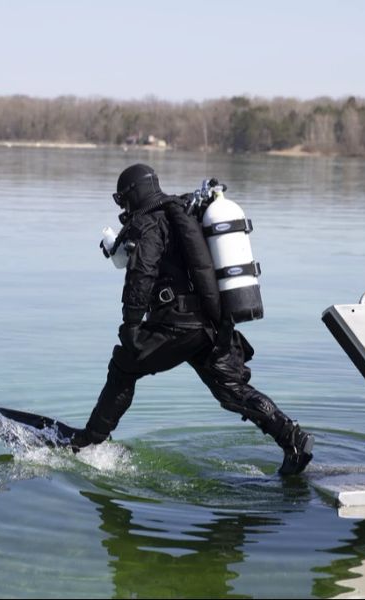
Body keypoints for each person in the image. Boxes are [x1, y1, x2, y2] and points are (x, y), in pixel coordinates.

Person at [71, 164, 314, 475]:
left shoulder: (148, 223)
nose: (123, 208)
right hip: (211, 324)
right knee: (231, 389)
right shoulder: (183, 209)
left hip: (176, 325)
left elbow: (141, 275)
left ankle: (89, 442)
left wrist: (131, 326)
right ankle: (292, 438)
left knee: (123, 366)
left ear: (131, 194)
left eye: (123, 200)